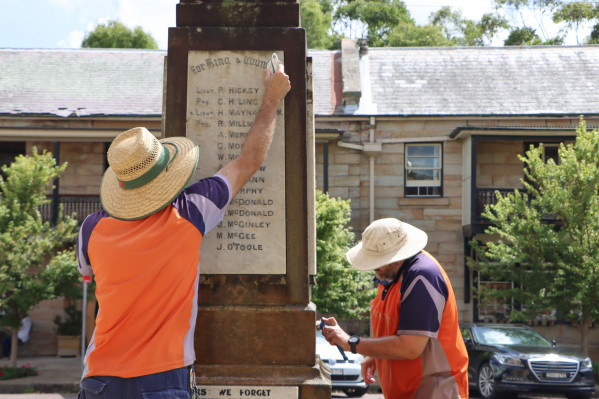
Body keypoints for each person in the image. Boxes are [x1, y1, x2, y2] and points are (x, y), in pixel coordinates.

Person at [76, 64, 290, 397]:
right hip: (164, 377)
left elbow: (92, 291)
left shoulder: (91, 230)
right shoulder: (190, 212)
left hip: (100, 379)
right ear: (167, 175)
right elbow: (248, 162)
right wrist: (272, 99)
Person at [321, 218, 469, 399]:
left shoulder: (422, 276)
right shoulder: (390, 274)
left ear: (397, 256)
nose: (374, 267)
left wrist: (350, 343)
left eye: (378, 261)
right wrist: (375, 354)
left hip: (435, 391)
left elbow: (410, 347)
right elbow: (393, 325)